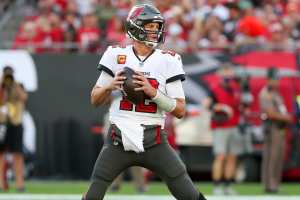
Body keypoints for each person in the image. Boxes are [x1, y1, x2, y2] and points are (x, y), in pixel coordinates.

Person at [83, 4, 206, 200]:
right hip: (118, 139)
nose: (155, 31)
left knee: (189, 194)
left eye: (157, 27)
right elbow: (94, 99)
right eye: (150, 26)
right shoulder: (115, 54)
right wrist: (110, 86)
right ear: (135, 27)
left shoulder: (169, 60)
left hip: (154, 140)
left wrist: (153, 92)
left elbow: (180, 110)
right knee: (93, 194)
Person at [203, 63, 243, 195]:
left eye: (229, 71)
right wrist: (220, 107)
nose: (227, 74)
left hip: (234, 125)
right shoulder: (214, 89)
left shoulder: (236, 89)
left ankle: (227, 185)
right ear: (220, 74)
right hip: (220, 127)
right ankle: (217, 186)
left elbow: (241, 107)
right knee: (220, 156)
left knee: (232, 157)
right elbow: (206, 104)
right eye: (225, 72)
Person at [259, 67, 292, 194]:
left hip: (280, 128)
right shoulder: (265, 93)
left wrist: (285, 118)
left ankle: (275, 184)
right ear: (269, 79)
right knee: (271, 157)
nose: (277, 81)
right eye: (275, 79)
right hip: (272, 127)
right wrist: (286, 117)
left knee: (278, 157)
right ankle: (269, 185)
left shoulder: (276, 93)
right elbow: (270, 113)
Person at [0, 66, 27, 191]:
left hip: (16, 123)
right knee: (1, 154)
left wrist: (14, 84)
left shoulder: (18, 86)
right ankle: (1, 182)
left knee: (18, 154)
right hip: (3, 123)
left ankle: (19, 183)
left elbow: (24, 98)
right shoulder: (2, 87)